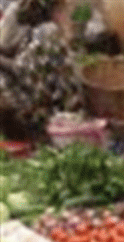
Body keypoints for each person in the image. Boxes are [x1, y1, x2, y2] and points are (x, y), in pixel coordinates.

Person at [0, 0, 78, 141]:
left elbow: (19, 69)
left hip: (50, 103)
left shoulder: (48, 32)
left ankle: (36, 127)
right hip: (37, 89)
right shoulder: (29, 27)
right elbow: (10, 49)